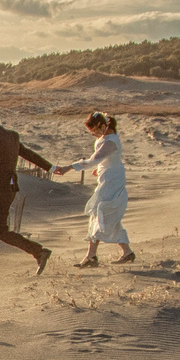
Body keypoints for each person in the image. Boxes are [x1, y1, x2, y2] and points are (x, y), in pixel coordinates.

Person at [0, 102, 52, 278]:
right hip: (9, 188)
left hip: (0, 189)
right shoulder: (12, 135)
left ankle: (39, 252)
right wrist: (50, 168)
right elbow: (28, 154)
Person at [50, 111, 134, 266]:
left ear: (103, 126)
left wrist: (69, 167)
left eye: (95, 130)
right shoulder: (105, 139)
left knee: (100, 212)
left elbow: (92, 161)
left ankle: (91, 256)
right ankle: (127, 252)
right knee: (107, 215)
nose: (94, 134)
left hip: (112, 181)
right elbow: (102, 159)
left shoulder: (111, 141)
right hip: (107, 177)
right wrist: (100, 167)